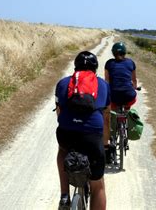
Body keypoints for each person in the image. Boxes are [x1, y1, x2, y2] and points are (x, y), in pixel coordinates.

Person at [55, 51, 110, 210]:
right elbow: (105, 117)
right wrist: (105, 144)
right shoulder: (103, 85)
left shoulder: (63, 83)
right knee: (97, 185)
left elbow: (59, 113)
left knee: (62, 150)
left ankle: (64, 196)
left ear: (75, 67)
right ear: (95, 69)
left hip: (67, 133)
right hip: (92, 136)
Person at [103, 42, 138, 158]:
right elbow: (134, 81)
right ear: (125, 52)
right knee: (126, 108)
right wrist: (133, 88)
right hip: (128, 96)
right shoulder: (131, 63)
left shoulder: (109, 63)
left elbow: (106, 81)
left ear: (113, 53)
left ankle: (111, 137)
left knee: (111, 114)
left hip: (114, 96)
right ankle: (126, 120)